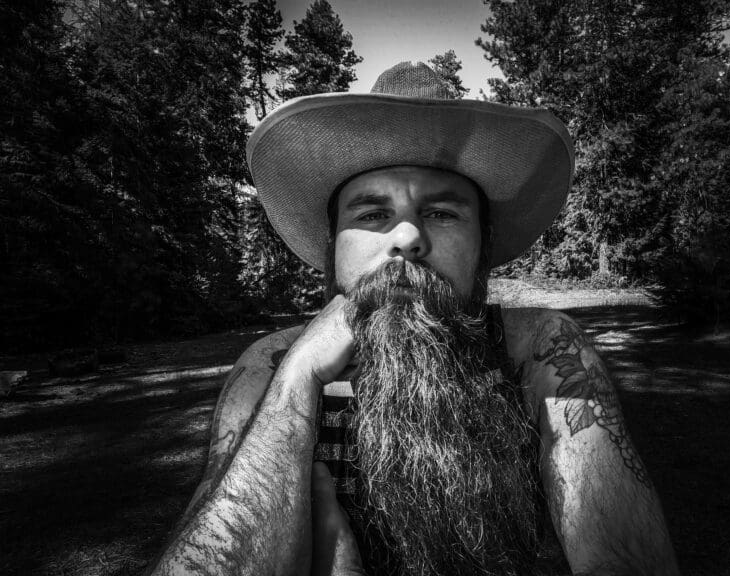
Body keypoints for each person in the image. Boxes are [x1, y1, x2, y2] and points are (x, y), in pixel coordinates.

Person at [148, 62, 679, 576]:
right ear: (333, 245)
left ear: (483, 245)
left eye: (442, 213)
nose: (407, 238)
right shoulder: (269, 365)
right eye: (373, 214)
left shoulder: (542, 350)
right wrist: (296, 384)